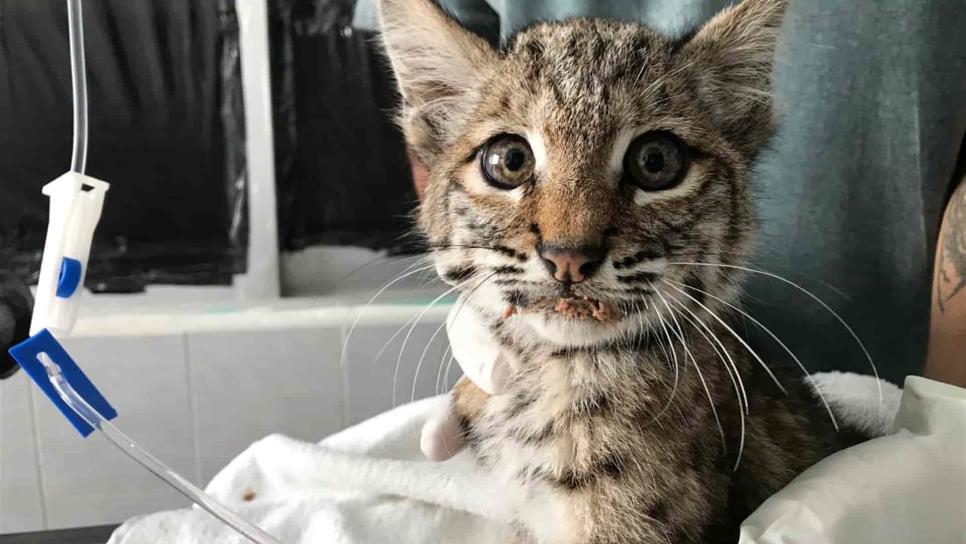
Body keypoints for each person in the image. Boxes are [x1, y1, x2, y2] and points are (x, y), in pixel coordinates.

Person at [356, 0, 966, 388]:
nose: (572, 240)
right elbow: (443, 143)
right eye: (511, 162)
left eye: (654, 163)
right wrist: (482, 290)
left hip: (903, 375)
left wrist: (948, 421)